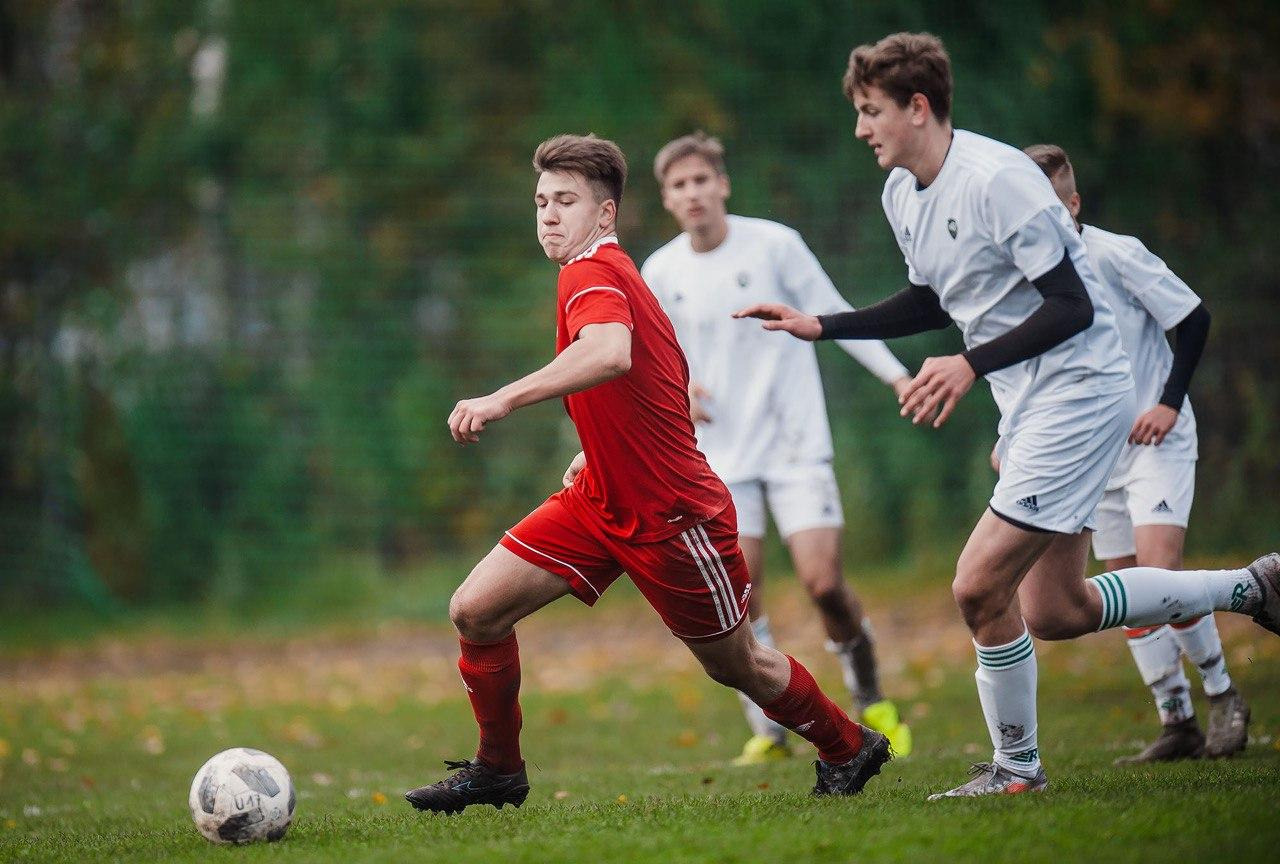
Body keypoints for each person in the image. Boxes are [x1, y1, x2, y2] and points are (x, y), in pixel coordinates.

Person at [734, 32, 1279, 800]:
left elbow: (1072, 305)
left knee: (977, 586)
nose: (860, 129)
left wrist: (969, 362)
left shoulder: (1000, 180)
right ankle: (1251, 588)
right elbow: (933, 300)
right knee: (1056, 609)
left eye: (870, 111)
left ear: (917, 107)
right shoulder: (901, 194)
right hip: (1030, 405)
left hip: (1081, 395)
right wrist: (822, 324)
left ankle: (1018, 768)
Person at [405, 133, 892, 815]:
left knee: (737, 663)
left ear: (605, 213)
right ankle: (498, 770)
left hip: (671, 516)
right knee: (475, 611)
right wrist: (601, 447)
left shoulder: (591, 272)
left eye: (566, 200)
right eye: (541, 201)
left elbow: (610, 352)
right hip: (600, 497)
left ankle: (848, 745)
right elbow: (661, 369)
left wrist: (502, 398)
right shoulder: (614, 271)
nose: (549, 214)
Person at [642, 132, 914, 765]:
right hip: (719, 456)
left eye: (701, 179)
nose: (693, 193)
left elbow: (833, 311)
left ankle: (872, 700)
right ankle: (771, 730)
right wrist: (679, 389)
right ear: (667, 199)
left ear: (723, 184)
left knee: (824, 584)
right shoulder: (660, 270)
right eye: (679, 185)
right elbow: (653, 355)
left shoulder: (775, 245)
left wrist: (897, 376)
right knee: (743, 598)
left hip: (794, 444)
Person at [1023, 144, 1249, 762]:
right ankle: (1177, 720)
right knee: (1126, 590)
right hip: (1095, 455)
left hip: (1156, 442)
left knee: (1159, 574)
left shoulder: (1115, 253)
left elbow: (1193, 318)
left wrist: (1168, 403)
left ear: (1073, 204)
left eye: (1050, 205)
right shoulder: (1027, 276)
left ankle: (1224, 694)